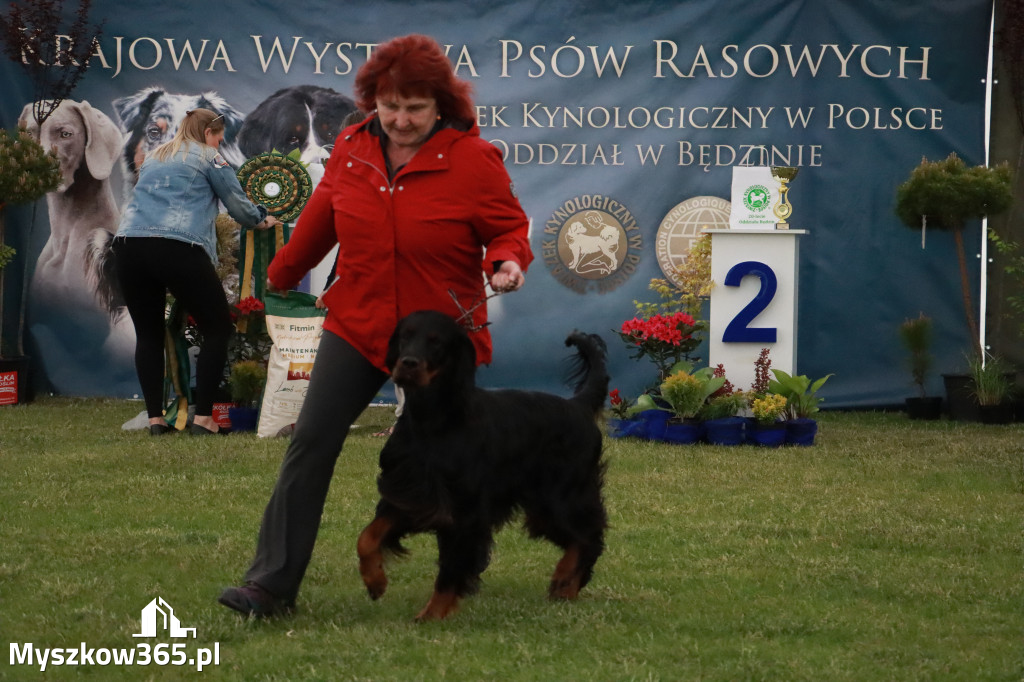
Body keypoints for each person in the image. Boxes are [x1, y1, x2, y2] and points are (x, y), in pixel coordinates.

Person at [218, 34, 533, 617]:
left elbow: (508, 227)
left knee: (444, 457)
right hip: (359, 325)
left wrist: (507, 261)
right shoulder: (352, 147)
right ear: (372, 103)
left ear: (442, 105)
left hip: (436, 341)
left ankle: (460, 557)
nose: (401, 119)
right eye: (390, 106)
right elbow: (323, 216)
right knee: (311, 442)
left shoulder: (473, 159)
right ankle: (269, 585)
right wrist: (281, 274)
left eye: (415, 107)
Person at [113, 108, 281, 436]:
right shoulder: (209, 157)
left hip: (128, 246)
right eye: (218, 138)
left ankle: (156, 420)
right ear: (208, 134)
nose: (219, 144)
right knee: (216, 326)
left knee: (148, 334)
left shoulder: (154, 156)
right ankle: (204, 418)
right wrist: (262, 219)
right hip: (176, 246)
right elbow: (237, 204)